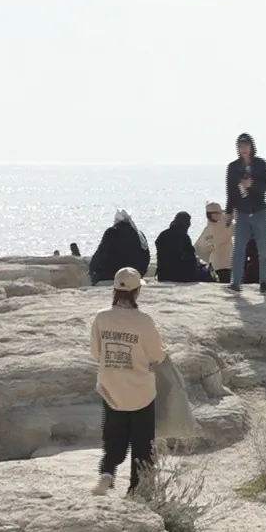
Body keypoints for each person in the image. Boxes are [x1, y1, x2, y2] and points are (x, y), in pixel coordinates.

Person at [89, 267, 167, 496]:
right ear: (136, 292)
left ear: (115, 289)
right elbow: (156, 356)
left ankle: (107, 472)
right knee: (142, 445)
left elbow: (96, 353)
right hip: (140, 391)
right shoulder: (144, 321)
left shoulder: (101, 318)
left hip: (110, 388)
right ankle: (138, 490)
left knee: (114, 440)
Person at [225, 132, 266, 293]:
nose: (243, 149)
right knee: (239, 248)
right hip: (241, 213)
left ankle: (263, 283)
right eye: (240, 146)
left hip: (260, 212)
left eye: (246, 145)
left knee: (263, 249)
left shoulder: (260, 164)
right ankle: (236, 283)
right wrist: (228, 212)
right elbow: (231, 192)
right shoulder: (233, 167)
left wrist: (253, 184)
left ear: (252, 146)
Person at [89, 210, 150, 286]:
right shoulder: (139, 234)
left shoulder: (111, 232)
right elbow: (146, 255)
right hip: (134, 274)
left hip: (111, 275)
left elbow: (100, 254)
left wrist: (93, 270)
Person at [154, 212, 199, 283]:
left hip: (163, 274)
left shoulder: (163, 234)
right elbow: (190, 256)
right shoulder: (184, 237)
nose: (190, 224)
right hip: (180, 276)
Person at [196, 202, 234, 283]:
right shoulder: (223, 226)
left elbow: (199, 248)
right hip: (224, 265)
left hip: (215, 264)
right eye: (218, 213)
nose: (220, 215)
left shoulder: (207, 229)